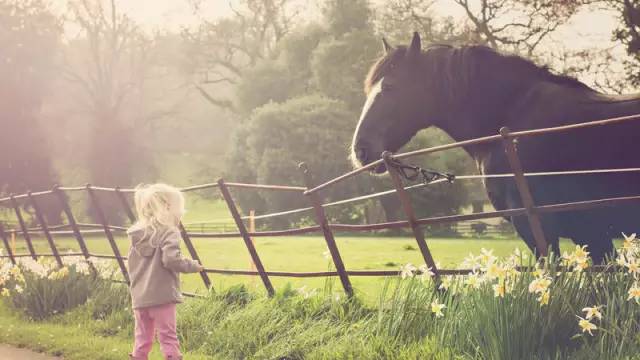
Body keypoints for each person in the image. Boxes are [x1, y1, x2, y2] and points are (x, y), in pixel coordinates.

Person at [126, 183, 204, 360]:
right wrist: (192, 266)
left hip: (139, 297)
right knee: (168, 337)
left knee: (142, 339)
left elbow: (131, 266)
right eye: (180, 210)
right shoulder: (169, 232)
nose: (180, 214)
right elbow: (171, 260)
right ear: (168, 207)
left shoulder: (137, 235)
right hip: (162, 297)